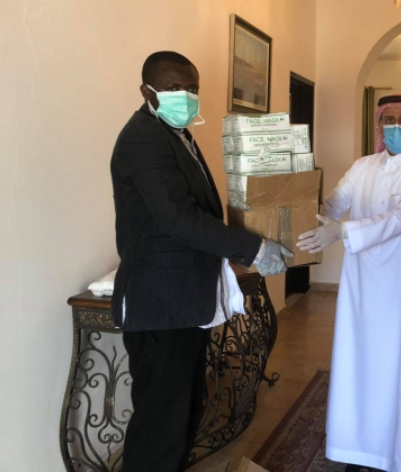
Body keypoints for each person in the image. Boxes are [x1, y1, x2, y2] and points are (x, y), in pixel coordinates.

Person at [110, 51, 291, 472]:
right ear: (147, 91)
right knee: (161, 425)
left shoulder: (176, 134)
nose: (186, 96)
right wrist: (253, 248)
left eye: (192, 88)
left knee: (184, 414)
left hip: (183, 300)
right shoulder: (143, 138)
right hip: (159, 304)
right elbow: (178, 217)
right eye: (173, 88)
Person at [296, 95, 401, 472]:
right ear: (379, 126)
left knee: (400, 367)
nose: (396, 126)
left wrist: (342, 232)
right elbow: (331, 205)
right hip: (361, 282)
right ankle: (357, 451)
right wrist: (295, 214)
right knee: (357, 361)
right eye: (388, 120)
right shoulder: (362, 166)